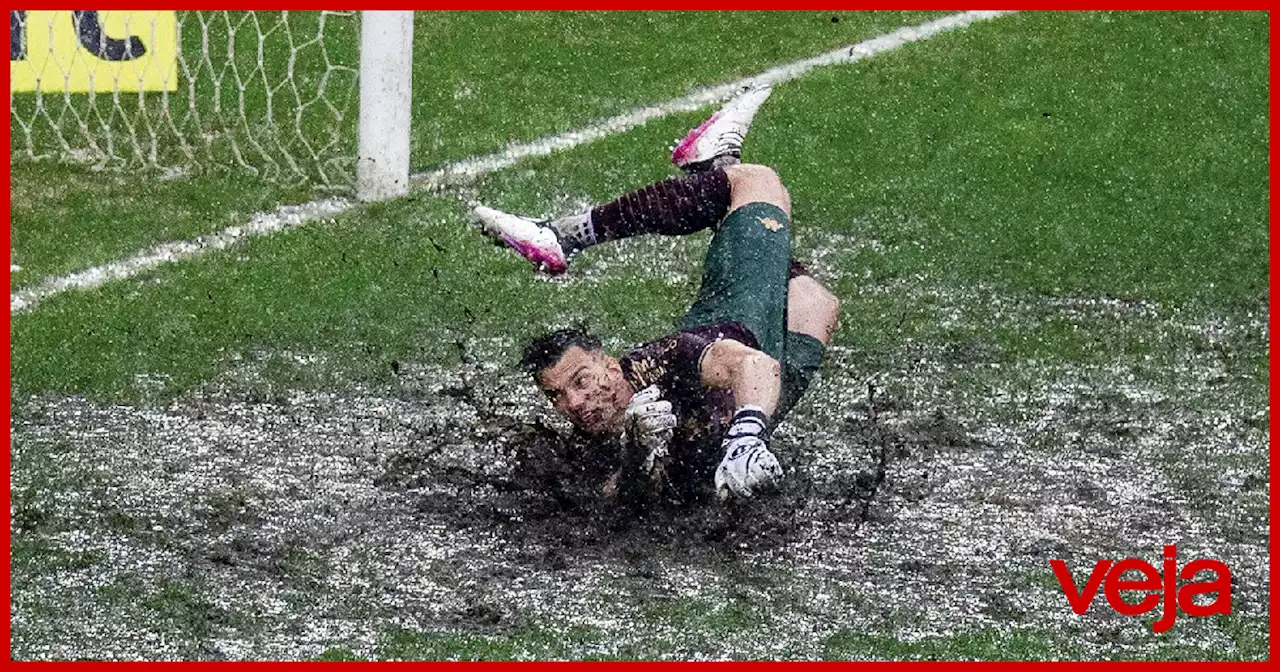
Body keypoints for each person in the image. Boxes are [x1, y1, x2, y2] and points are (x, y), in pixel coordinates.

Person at [473, 86, 841, 504]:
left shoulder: (667, 360)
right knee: (814, 302)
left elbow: (753, 366)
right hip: (738, 405)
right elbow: (612, 502)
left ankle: (563, 235)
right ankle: (714, 169)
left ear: (610, 365)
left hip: (742, 316)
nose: (574, 402)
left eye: (580, 380)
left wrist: (747, 436)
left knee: (757, 183)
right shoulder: (589, 441)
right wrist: (636, 454)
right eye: (556, 396)